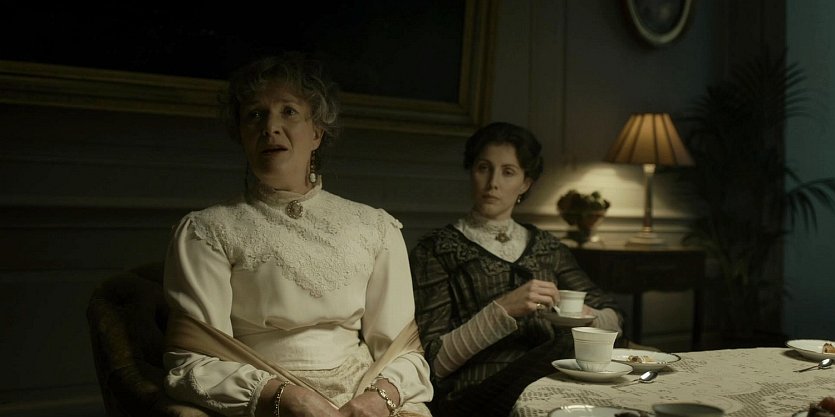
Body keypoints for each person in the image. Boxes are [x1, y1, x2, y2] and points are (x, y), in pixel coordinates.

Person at [162, 53, 433, 417]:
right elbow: (194, 363)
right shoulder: (207, 230)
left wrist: (377, 400)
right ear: (242, 135)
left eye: (288, 111)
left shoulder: (375, 227)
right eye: (254, 115)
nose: (270, 127)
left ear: (317, 132)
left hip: (364, 396)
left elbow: (403, 352)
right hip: (264, 398)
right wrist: (288, 399)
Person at [409, 122, 624, 417]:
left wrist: (582, 314)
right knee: (566, 350)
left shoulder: (547, 247)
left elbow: (613, 319)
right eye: (483, 168)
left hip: (553, 379)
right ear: (471, 172)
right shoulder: (436, 249)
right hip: (476, 391)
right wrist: (503, 309)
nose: (493, 183)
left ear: (525, 183)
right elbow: (431, 362)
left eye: (508, 172)